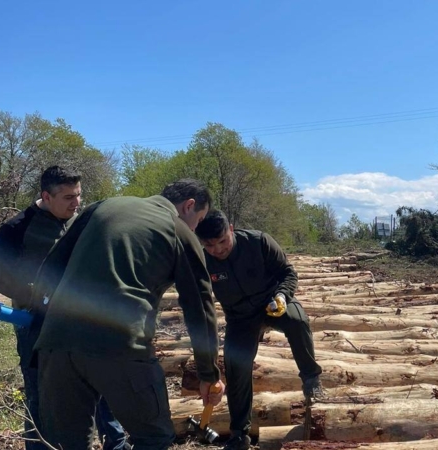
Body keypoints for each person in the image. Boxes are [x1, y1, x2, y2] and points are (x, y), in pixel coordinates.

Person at [31, 179, 226, 450]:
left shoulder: (104, 206)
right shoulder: (178, 230)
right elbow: (200, 309)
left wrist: (41, 323)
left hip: (57, 343)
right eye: (199, 219)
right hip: (120, 344)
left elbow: (52, 264)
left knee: (65, 443)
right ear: (189, 205)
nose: (196, 228)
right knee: (154, 438)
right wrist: (209, 374)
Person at [0, 166, 128, 450]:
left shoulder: (80, 221)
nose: (76, 203)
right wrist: (36, 294)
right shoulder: (17, 228)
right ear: (46, 196)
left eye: (78, 195)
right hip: (36, 325)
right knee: (39, 394)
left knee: (99, 384)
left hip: (82, 321)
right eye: (68, 197)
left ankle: (116, 444)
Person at [195, 209, 324, 450]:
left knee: (297, 321)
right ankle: (239, 434)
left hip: (272, 303)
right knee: (236, 365)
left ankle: (311, 379)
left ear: (231, 229)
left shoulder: (258, 242)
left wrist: (282, 296)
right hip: (240, 317)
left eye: (222, 241)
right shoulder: (202, 261)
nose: (218, 249)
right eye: (209, 245)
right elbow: (200, 305)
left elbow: (288, 273)